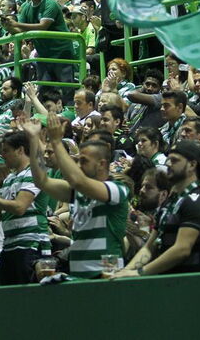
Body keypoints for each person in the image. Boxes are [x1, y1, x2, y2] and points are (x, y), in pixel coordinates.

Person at [27, 114, 129, 278]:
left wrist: (56, 142)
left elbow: (78, 181)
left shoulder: (117, 189)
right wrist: (33, 140)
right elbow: (41, 181)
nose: (79, 165)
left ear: (102, 164)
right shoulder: (79, 192)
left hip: (107, 273)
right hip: (78, 273)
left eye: (84, 161)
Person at [114, 141, 200, 277]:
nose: (168, 164)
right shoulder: (171, 201)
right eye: (168, 159)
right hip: (164, 280)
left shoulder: (196, 200)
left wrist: (140, 272)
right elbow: (149, 247)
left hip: (187, 281)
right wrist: (126, 271)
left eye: (175, 160)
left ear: (192, 165)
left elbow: (182, 249)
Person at [0, 130, 49, 285]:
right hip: (9, 247)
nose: (3, 156)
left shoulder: (34, 173)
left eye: (6, 151)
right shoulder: (10, 178)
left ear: (20, 150)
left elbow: (19, 207)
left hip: (31, 244)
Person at [3, 0, 77, 98]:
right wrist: (7, 26)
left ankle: (70, 112)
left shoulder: (51, 4)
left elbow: (43, 26)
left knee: (67, 89)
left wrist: (15, 24)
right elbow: (19, 31)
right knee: (44, 91)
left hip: (61, 52)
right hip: (43, 54)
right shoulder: (26, 7)